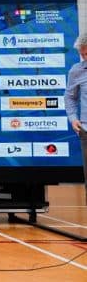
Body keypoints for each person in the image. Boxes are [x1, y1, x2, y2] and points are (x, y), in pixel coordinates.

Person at [64, 33, 87, 194]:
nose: (85, 57)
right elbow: (70, 97)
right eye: (83, 54)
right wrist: (73, 118)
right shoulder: (76, 71)